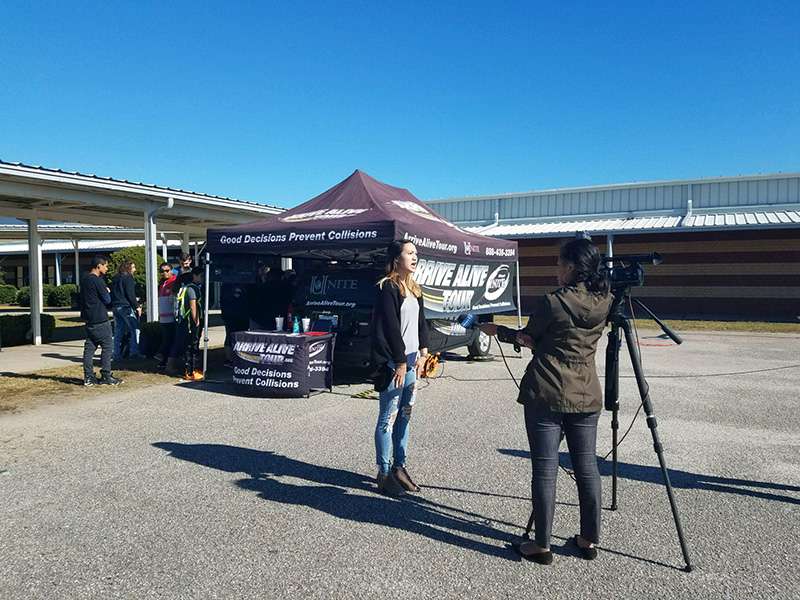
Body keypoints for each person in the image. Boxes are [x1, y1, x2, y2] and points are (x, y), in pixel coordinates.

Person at [480, 237, 612, 564]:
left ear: (569, 268)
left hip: (547, 393)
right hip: (586, 393)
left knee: (545, 469)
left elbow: (530, 338)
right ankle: (588, 540)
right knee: (587, 468)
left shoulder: (553, 302)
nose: (555, 269)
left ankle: (542, 545)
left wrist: (500, 331)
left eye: (558, 263)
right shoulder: (605, 300)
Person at [370, 239, 429, 497]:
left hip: (414, 361)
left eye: (416, 253)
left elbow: (421, 324)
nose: (414, 257)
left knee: (405, 416)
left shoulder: (415, 288)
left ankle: (399, 467)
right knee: (388, 418)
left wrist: (424, 352)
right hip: (396, 363)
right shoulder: (387, 287)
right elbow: (391, 328)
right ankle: (383, 473)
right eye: (409, 253)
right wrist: (401, 362)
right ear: (396, 258)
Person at [79, 255, 122, 386]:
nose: (107, 268)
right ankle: (106, 375)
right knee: (107, 346)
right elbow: (107, 300)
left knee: (90, 347)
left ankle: (88, 376)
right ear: (99, 266)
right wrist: (107, 291)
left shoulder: (85, 280)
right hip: (100, 318)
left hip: (89, 317)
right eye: (106, 266)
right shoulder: (98, 281)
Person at [175, 266, 205, 381]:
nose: (203, 279)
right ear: (194, 276)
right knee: (192, 345)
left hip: (189, 321)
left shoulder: (189, 287)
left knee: (191, 345)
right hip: (191, 322)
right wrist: (197, 321)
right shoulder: (193, 289)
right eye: (201, 276)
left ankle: (192, 369)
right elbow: (193, 306)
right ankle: (190, 371)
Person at [111, 260, 144, 360]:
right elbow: (130, 293)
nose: (134, 269)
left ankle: (116, 354)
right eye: (133, 267)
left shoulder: (116, 278)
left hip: (116, 305)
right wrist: (136, 306)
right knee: (135, 329)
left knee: (118, 331)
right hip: (125, 307)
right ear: (128, 268)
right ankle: (134, 352)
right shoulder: (128, 277)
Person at [220, 282, 248, 368]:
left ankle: (240, 357)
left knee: (241, 336)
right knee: (230, 336)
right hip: (230, 314)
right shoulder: (226, 284)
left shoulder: (245, 282)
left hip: (242, 314)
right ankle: (229, 359)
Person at [155, 262, 177, 369]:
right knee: (165, 338)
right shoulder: (161, 282)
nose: (165, 273)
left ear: (171, 271)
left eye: (167, 270)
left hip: (172, 316)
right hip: (163, 316)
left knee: (171, 339)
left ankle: (169, 360)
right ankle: (165, 359)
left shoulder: (174, 281)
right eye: (162, 271)